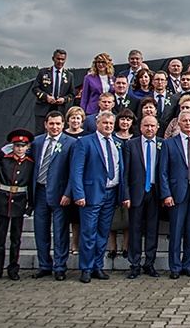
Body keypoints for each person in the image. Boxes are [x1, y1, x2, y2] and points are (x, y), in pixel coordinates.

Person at [71, 110, 127, 283]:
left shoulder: (117, 143)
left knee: (103, 232)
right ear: (97, 124)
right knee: (88, 232)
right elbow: (77, 170)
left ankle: (97, 266)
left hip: (111, 193)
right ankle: (86, 268)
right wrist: (79, 193)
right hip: (91, 194)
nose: (108, 126)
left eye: (111, 123)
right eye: (105, 123)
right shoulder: (85, 142)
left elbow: (120, 169)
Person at [0, 128, 35, 281]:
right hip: (3, 201)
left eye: (23, 146)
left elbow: (31, 186)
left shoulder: (30, 163)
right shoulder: (4, 160)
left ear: (27, 147)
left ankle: (13, 269)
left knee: (16, 239)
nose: (19, 149)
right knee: (0, 239)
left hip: (19, 201)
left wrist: (30, 206)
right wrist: (1, 152)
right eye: (16, 146)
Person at [160, 111, 190, 279]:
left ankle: (188, 265)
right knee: (176, 231)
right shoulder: (169, 144)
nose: (188, 123)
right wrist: (166, 194)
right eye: (184, 121)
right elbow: (163, 171)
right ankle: (174, 266)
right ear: (178, 124)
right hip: (176, 193)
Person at [30, 112, 76, 281]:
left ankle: (60, 266)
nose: (55, 127)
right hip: (40, 191)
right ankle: (44, 265)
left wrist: (68, 193)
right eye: (51, 123)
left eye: (58, 124)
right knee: (40, 231)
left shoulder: (70, 143)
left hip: (60, 193)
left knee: (60, 232)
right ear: (46, 124)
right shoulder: (36, 142)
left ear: (63, 124)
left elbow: (74, 171)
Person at [123, 115, 162, 278]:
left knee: (152, 229)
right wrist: (125, 195)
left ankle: (149, 263)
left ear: (157, 127)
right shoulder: (130, 145)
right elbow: (125, 173)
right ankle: (135, 264)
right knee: (135, 228)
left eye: (152, 126)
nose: (149, 129)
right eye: (146, 125)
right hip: (136, 193)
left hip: (155, 192)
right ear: (140, 127)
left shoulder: (162, 144)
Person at [107, 109, 135, 261]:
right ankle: (113, 246)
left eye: (128, 119)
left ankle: (125, 245)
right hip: (113, 180)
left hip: (129, 180)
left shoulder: (135, 139)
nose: (125, 122)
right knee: (113, 215)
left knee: (126, 215)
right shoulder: (112, 139)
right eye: (122, 119)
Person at [63, 106, 89, 255]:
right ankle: (70, 245)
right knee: (69, 216)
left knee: (79, 217)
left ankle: (78, 244)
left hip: (81, 180)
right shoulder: (63, 135)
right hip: (65, 177)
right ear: (68, 120)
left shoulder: (86, 136)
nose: (75, 120)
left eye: (78, 118)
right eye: (73, 117)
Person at [32, 49, 75, 134]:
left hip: (60, 109)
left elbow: (72, 93)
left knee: (57, 133)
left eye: (63, 59)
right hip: (43, 108)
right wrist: (46, 97)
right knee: (40, 133)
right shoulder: (43, 72)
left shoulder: (69, 75)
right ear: (53, 59)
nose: (60, 61)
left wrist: (64, 99)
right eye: (58, 59)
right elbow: (35, 88)